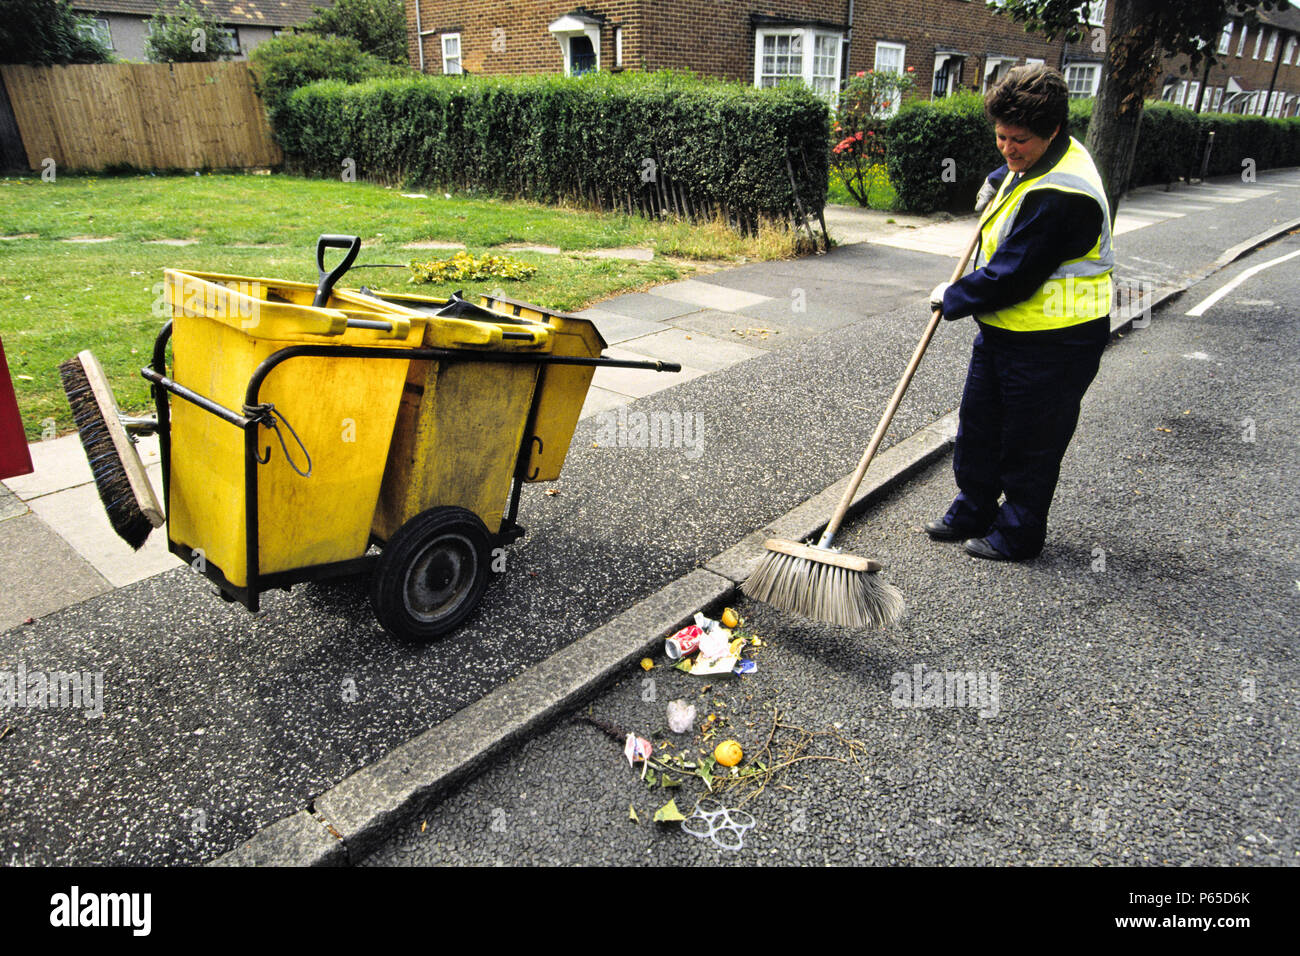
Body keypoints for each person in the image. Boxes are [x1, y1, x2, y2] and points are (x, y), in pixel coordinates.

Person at [926, 64, 1113, 561]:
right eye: (1001, 137)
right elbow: (1019, 173)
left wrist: (953, 297)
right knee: (980, 425)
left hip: (1059, 339)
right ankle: (975, 508)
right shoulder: (1037, 161)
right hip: (1008, 330)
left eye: (1019, 141)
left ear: (1053, 130)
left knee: (1030, 443)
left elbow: (1013, 276)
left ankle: (1018, 533)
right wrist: (997, 179)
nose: (1008, 149)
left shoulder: (1063, 196)